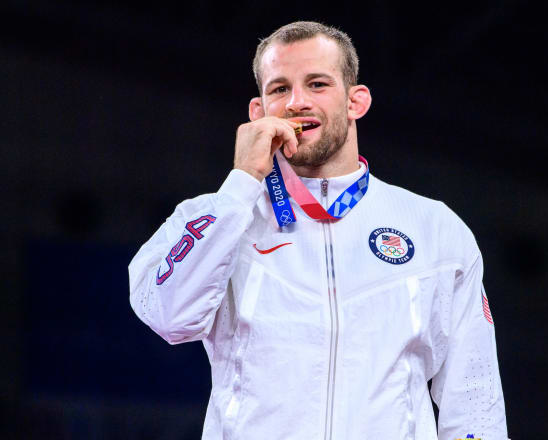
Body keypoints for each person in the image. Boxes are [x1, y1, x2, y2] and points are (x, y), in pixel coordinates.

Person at [129, 21, 509, 440]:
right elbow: (167, 316)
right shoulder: (217, 216)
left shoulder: (434, 229)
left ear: (355, 101)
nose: (296, 102)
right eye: (278, 89)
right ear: (257, 112)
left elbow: (474, 402)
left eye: (317, 84)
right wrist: (241, 184)